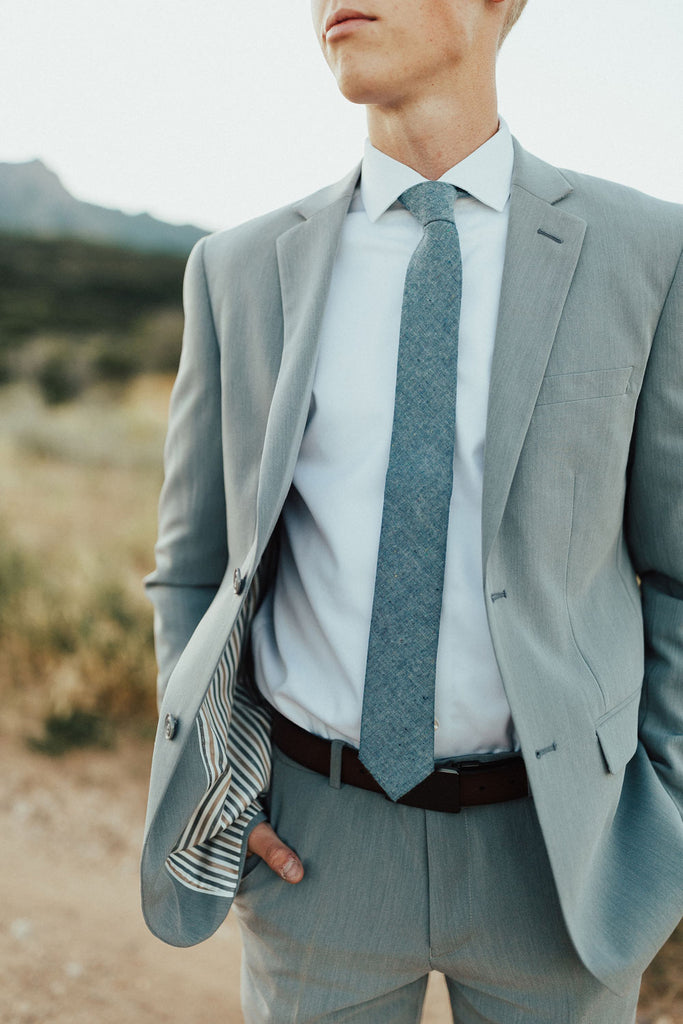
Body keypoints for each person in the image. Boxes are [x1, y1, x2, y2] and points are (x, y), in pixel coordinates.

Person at [140, 1, 683, 1020]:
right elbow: (193, 564)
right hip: (314, 848)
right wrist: (227, 777)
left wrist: (657, 804)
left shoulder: (649, 254)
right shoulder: (237, 268)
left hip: (560, 859)